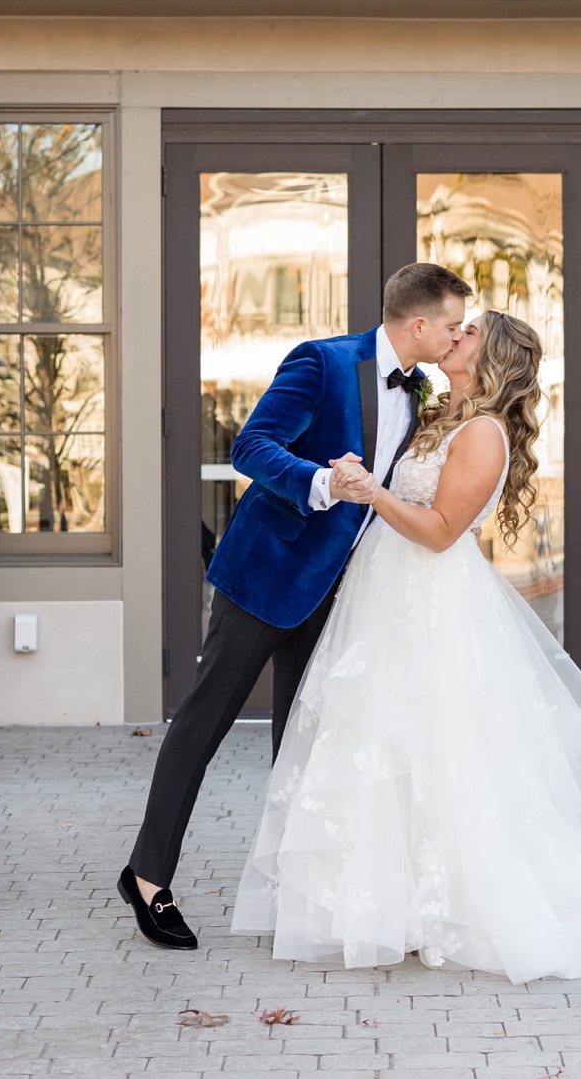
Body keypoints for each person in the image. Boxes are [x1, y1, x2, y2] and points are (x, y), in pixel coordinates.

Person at [233, 312, 581, 983]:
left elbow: (443, 530)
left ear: (490, 354)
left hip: (429, 601)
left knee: (433, 746)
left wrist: (369, 491)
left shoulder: (483, 432)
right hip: (385, 595)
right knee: (382, 747)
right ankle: (388, 903)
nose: (454, 335)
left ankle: (444, 904)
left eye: (467, 332)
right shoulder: (440, 412)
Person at [117, 262, 473, 950]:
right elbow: (250, 446)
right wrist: (320, 481)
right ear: (420, 323)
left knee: (306, 745)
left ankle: (292, 896)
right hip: (266, 574)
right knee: (202, 724)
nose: (458, 335)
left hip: (341, 590)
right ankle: (148, 875)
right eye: (453, 325)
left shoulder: (425, 387)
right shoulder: (324, 361)